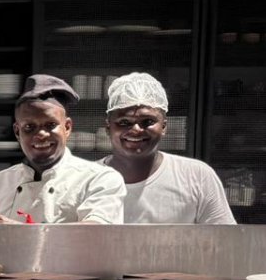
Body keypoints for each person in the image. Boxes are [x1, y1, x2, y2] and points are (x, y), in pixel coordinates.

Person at [0, 74, 125, 224]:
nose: (41, 134)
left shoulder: (99, 179)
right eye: (29, 127)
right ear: (17, 132)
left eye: (50, 125)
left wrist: (20, 232)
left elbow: (93, 235)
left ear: (67, 128)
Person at [100, 72, 236, 224]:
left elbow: (223, 241)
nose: (136, 129)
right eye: (124, 122)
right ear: (108, 127)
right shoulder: (85, 180)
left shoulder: (197, 177)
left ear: (164, 126)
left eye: (148, 121)